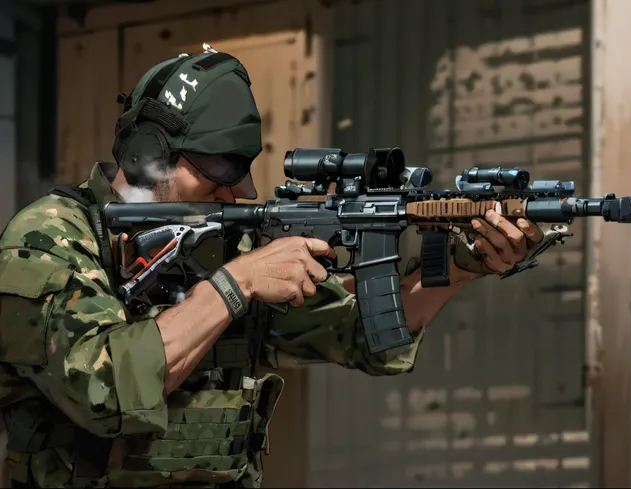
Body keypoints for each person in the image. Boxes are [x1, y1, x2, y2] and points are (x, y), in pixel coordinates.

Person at [0, 49, 543, 489]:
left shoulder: (220, 238)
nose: (238, 192)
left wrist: (463, 263)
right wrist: (236, 285)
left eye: (243, 169)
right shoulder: (49, 238)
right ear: (147, 154)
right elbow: (103, 388)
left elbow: (360, 329)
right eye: (215, 170)